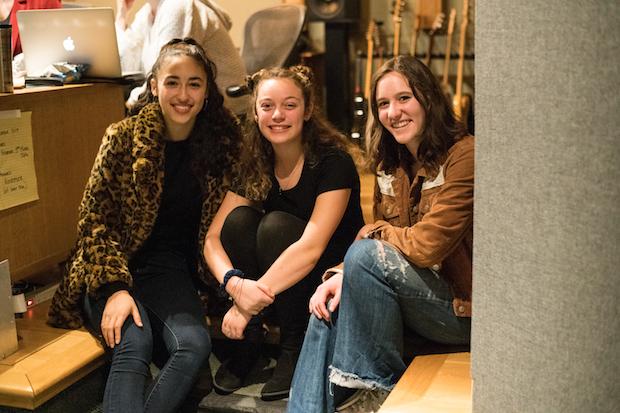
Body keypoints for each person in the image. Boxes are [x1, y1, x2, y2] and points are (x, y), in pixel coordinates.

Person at [47, 38, 242, 413]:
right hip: (109, 266)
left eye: (194, 83)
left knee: (193, 345)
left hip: (167, 270)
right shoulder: (122, 137)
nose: (182, 94)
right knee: (133, 342)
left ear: (206, 92)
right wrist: (117, 289)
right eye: (172, 82)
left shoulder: (222, 146)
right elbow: (93, 221)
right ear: (154, 86)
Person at [288, 55, 474, 413]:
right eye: (383, 104)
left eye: (404, 98)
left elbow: (425, 247)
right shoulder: (392, 163)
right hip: (410, 296)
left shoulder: (464, 155)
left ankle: (374, 386)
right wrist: (344, 275)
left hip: (460, 310)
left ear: (428, 98)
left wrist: (374, 238)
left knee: (363, 258)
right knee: (327, 306)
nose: (393, 112)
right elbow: (381, 250)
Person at [203, 65, 365, 401]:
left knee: (277, 226)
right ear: (256, 111)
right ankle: (250, 341)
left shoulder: (333, 162)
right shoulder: (256, 160)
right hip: (274, 291)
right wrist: (235, 285)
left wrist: (247, 306)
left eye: (290, 105)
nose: (278, 115)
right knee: (240, 221)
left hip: (326, 284)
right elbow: (213, 239)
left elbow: (310, 247)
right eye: (267, 106)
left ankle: (295, 343)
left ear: (307, 110)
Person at [115, 0, 248, 114]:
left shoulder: (179, 7)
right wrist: (121, 15)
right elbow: (126, 67)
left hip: (226, 120)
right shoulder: (146, 14)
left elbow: (163, 76)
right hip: (189, 111)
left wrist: (126, 105)